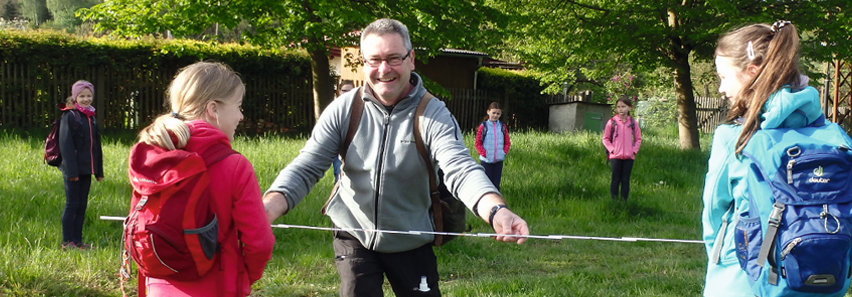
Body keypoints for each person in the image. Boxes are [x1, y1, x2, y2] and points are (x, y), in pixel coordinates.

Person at [262, 18, 529, 297]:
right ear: (364, 63)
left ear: (411, 59)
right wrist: (267, 207)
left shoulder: (433, 114)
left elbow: (460, 170)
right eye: (374, 60)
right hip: (354, 234)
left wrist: (496, 210)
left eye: (393, 58)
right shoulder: (343, 110)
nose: (383, 69)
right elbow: (307, 166)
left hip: (411, 238)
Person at [129, 61, 275, 296]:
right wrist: (245, 275)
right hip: (217, 285)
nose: (241, 116)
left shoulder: (154, 153)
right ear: (213, 109)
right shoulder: (235, 165)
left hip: (159, 283)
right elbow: (260, 243)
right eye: (238, 106)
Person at [702, 21, 821, 296]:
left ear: (752, 72)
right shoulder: (824, 131)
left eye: (724, 77)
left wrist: (717, 258)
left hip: (742, 273)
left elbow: (713, 211)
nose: (720, 88)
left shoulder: (733, 137)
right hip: (813, 271)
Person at [58, 80, 104, 250]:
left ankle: (77, 241)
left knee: (82, 205)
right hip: (73, 170)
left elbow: (96, 146)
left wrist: (98, 171)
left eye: (89, 95)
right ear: (75, 97)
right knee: (72, 204)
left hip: (86, 169)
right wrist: (72, 172)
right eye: (82, 96)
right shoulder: (70, 116)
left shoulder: (91, 117)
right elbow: (66, 145)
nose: (86, 99)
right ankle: (67, 241)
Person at [602, 96, 641, 201]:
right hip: (615, 156)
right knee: (615, 179)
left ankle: (624, 202)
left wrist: (633, 151)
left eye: (623, 106)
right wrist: (612, 150)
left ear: (630, 108)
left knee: (625, 180)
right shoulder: (612, 122)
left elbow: (638, 139)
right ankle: (614, 202)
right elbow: (605, 139)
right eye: (618, 107)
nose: (621, 109)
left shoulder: (633, 123)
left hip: (629, 157)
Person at [474, 102, 511, 190]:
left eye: (498, 113)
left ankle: (496, 196)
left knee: (496, 183)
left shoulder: (502, 126)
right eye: (493, 113)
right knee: (486, 183)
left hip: (498, 160)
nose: (495, 115)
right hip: (486, 160)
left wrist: (503, 152)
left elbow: (507, 142)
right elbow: (477, 143)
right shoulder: (483, 126)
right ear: (488, 112)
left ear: (500, 114)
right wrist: (484, 154)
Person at [332, 79, 356, 185]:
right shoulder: (334, 108)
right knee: (339, 174)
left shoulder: (359, 108)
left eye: (350, 91)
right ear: (339, 91)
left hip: (354, 148)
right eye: (344, 90)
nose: (347, 93)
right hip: (338, 147)